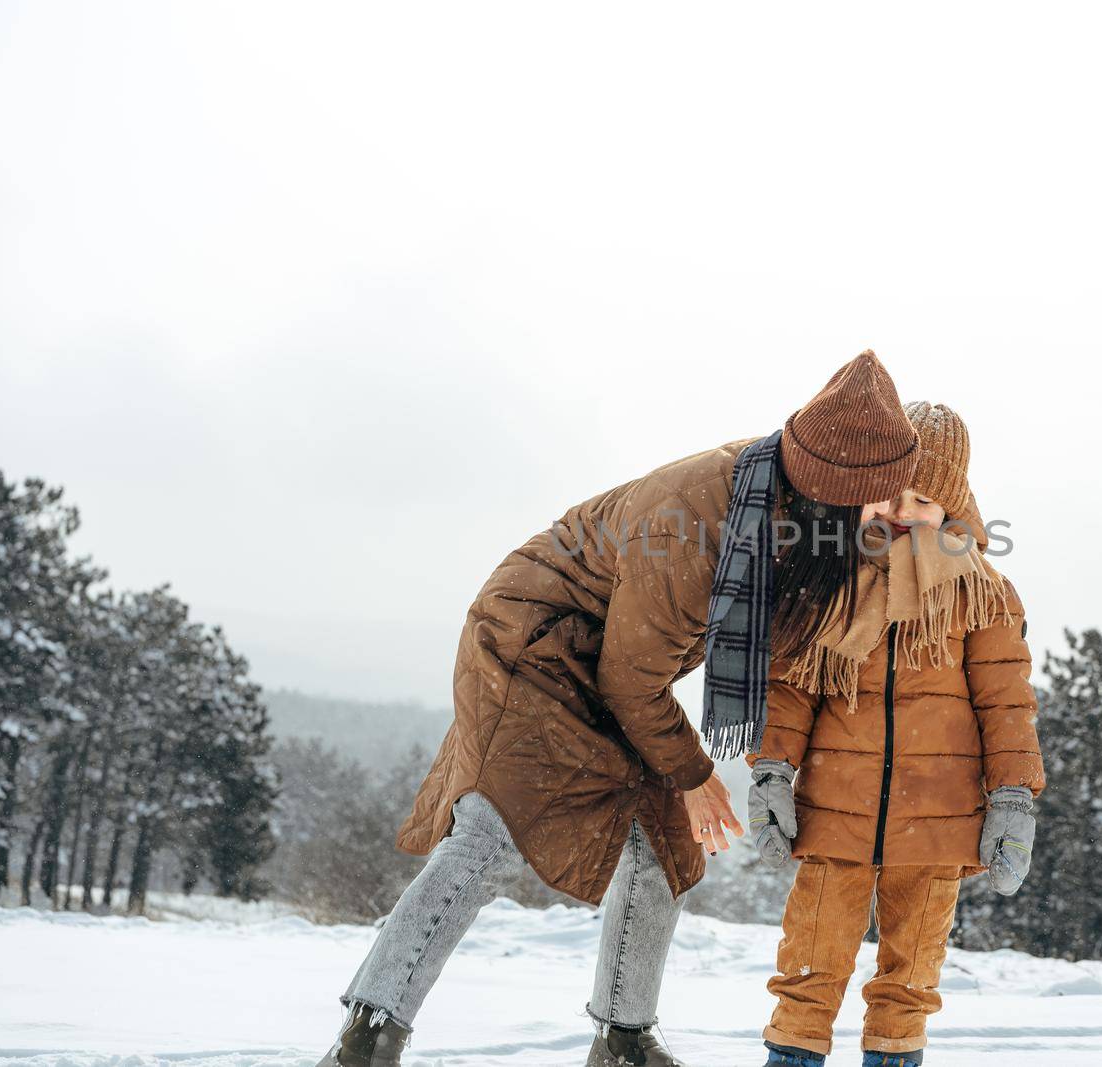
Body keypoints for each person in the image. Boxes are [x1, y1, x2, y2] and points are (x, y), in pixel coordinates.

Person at [315, 351, 922, 1067]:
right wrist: (696, 775)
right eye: (886, 498)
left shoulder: (795, 518)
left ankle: (623, 1039)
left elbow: (787, 643)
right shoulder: (693, 523)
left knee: (664, 843)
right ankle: (368, 1032)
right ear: (838, 491)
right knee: (489, 832)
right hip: (534, 642)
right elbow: (633, 679)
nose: (899, 511)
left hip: (615, 660)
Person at [746, 402, 1046, 1067]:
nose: (903, 509)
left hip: (938, 818)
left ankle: (894, 1056)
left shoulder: (983, 593)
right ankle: (792, 1057)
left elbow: (1006, 704)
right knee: (810, 958)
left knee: (911, 972)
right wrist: (772, 768)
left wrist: (1013, 796)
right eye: (890, 492)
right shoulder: (833, 582)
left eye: (924, 497)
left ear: (953, 503)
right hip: (834, 807)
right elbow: (793, 685)